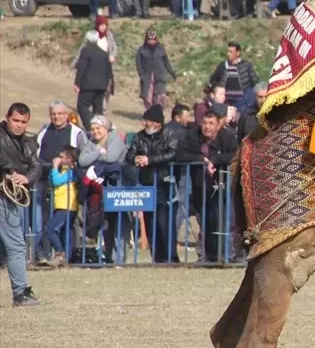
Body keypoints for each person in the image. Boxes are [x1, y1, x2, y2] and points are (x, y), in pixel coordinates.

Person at [178, 109, 238, 263]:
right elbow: (180, 154)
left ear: (218, 125)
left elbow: (235, 154)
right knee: (204, 222)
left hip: (223, 186)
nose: (207, 127)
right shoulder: (192, 136)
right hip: (200, 186)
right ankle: (205, 256)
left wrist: (216, 160)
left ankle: (227, 256)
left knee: (225, 222)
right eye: (204, 123)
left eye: (211, 123)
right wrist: (202, 159)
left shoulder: (228, 137)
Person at [126, 104, 180, 264]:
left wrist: (150, 160)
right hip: (146, 185)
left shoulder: (169, 135)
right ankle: (156, 257)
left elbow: (172, 153)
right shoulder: (139, 137)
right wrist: (135, 159)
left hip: (164, 184)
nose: (144, 124)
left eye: (147, 121)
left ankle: (169, 257)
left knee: (164, 222)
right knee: (150, 223)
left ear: (157, 123)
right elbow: (130, 154)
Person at [0, 103, 41, 306]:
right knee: (16, 246)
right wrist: (9, 171)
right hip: (2, 196)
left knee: (16, 245)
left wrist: (26, 177)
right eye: (15, 120)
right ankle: (20, 293)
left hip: (9, 199)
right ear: (7, 118)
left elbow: (36, 166)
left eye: (23, 122)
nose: (19, 125)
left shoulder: (28, 142)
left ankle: (22, 291)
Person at [78, 114, 129, 263]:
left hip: (119, 186)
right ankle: (108, 256)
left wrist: (93, 158)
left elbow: (112, 157)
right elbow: (82, 160)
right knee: (104, 222)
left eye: (98, 128)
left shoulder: (114, 139)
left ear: (106, 128)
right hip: (100, 190)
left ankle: (119, 258)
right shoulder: (92, 143)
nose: (95, 132)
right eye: (92, 129)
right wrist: (98, 152)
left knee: (119, 221)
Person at [34, 145, 78, 267]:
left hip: (67, 206)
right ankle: (66, 258)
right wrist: (56, 168)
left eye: (61, 157)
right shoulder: (63, 170)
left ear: (69, 159)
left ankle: (60, 254)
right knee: (65, 232)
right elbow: (52, 181)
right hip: (61, 205)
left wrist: (54, 167)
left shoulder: (72, 171)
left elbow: (58, 180)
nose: (58, 159)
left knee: (50, 229)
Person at [73, 30, 112, 129]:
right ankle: (101, 128)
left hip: (88, 85)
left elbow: (81, 67)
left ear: (87, 40)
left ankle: (92, 127)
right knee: (98, 109)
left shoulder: (86, 51)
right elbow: (109, 70)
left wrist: (77, 82)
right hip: (102, 86)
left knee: (82, 106)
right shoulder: (104, 53)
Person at [208, 41, 259, 111]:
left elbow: (255, 82)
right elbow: (213, 81)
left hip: (243, 102)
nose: (228, 54)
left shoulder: (246, 66)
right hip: (226, 101)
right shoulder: (223, 66)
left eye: (231, 52)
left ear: (238, 53)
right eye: (228, 51)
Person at [136, 28, 176, 109]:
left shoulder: (161, 49)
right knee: (148, 97)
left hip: (160, 77)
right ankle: (149, 114)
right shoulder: (141, 50)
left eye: (153, 40)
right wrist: (142, 76)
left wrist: (174, 75)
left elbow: (167, 63)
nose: (151, 41)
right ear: (146, 40)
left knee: (159, 97)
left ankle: (158, 114)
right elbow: (138, 64)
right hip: (147, 77)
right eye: (149, 40)